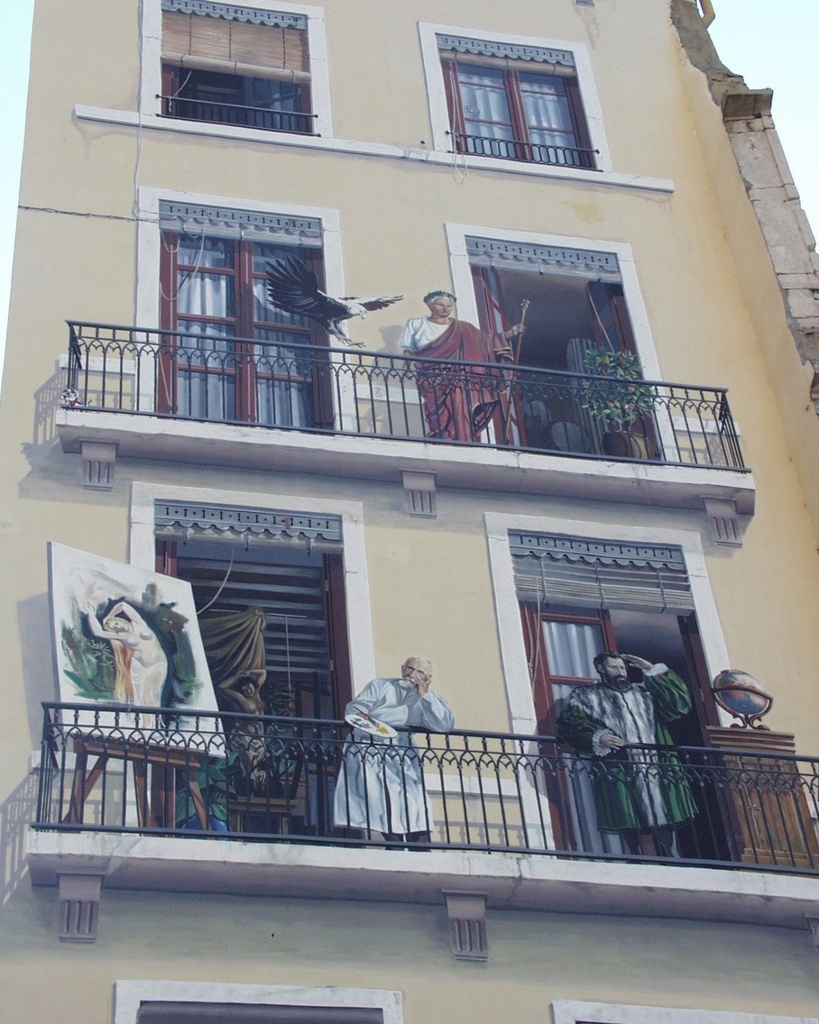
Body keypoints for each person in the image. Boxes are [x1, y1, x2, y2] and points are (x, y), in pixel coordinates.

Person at [555, 651, 698, 857]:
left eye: (623, 667)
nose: (620, 672)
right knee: (627, 813)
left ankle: (671, 855)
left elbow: (680, 704)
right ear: (601, 668)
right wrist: (598, 737)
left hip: (656, 765)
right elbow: (569, 724)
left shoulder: (645, 694)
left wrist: (651, 669)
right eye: (614, 667)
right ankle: (635, 856)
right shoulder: (587, 697)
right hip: (619, 767)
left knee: (665, 816)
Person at [333, 657, 455, 845]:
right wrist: (367, 718)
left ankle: (420, 850)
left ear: (428, 678)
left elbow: (444, 724)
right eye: (410, 668)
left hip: (402, 754)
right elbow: (355, 711)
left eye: (420, 672)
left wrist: (425, 695)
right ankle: (394, 845)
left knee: (414, 804)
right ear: (402, 668)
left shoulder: (428, 699)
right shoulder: (380, 686)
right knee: (380, 803)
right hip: (370, 749)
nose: (413, 674)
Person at [400, 291, 524, 442]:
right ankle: (443, 436)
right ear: (430, 305)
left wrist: (509, 334)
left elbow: (487, 342)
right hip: (432, 378)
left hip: (459, 380)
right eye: (441, 305)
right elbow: (408, 349)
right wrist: (406, 366)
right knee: (439, 415)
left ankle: (463, 438)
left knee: (460, 404)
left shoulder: (462, 327)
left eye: (449, 306)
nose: (445, 309)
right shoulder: (416, 324)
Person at [85, 600, 169, 708]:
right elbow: (98, 632)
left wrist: (109, 616)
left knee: (155, 696)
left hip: (159, 664)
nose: (118, 627)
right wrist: (91, 613)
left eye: (116, 623)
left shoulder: (138, 622)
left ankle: (154, 718)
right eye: (114, 628)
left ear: (119, 620)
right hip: (142, 668)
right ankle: (146, 719)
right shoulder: (122, 636)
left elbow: (123, 605)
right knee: (145, 699)